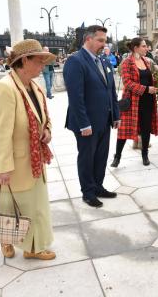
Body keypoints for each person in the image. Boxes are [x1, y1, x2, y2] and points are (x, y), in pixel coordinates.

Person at [0, 39, 56, 260]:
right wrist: (4, 167)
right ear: (24, 61)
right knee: (10, 206)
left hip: (33, 160)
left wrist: (47, 131)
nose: (43, 66)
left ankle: (32, 248)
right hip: (14, 164)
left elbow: (44, 118)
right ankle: (5, 239)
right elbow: (0, 134)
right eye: (39, 60)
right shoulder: (5, 89)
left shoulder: (34, 86)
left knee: (34, 207)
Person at [64, 25, 120, 208]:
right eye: (101, 40)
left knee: (101, 156)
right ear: (88, 39)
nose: (104, 45)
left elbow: (111, 90)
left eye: (105, 41)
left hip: (105, 119)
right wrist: (83, 124)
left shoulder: (103, 61)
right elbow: (75, 97)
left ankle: (98, 186)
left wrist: (116, 115)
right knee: (87, 157)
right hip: (86, 123)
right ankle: (88, 192)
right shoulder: (75, 61)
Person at [110, 37, 158, 168]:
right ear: (135, 48)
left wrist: (156, 83)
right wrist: (146, 89)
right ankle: (117, 157)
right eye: (144, 46)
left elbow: (150, 78)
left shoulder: (147, 62)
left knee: (146, 128)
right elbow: (128, 83)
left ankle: (145, 155)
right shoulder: (127, 63)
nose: (146, 48)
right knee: (124, 130)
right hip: (132, 101)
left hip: (147, 100)